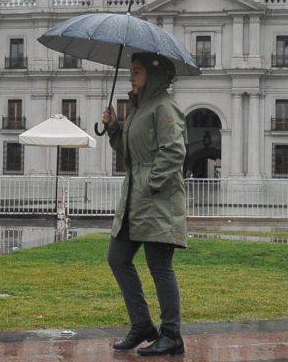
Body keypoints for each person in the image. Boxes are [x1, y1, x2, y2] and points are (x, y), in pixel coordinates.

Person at [101, 52, 188, 356]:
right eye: (131, 71)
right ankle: (142, 326)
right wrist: (113, 129)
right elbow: (129, 153)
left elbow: (174, 152)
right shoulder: (139, 109)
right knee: (117, 258)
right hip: (134, 199)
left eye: (136, 71)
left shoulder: (165, 107)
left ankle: (172, 335)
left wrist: (151, 184)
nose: (130, 76)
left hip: (157, 200)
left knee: (160, 267)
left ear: (153, 75)